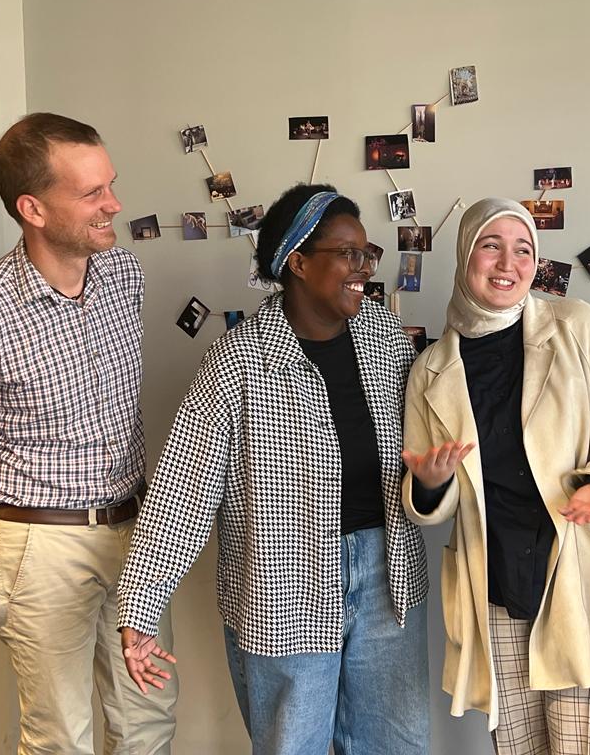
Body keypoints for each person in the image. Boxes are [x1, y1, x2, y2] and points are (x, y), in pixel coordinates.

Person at [116, 184, 430, 755]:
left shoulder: (384, 337)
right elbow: (180, 492)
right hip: (282, 591)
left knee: (396, 745)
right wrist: (140, 607)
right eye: (347, 254)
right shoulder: (238, 359)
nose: (363, 268)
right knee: (294, 746)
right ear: (298, 262)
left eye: (367, 253)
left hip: (388, 579)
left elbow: (427, 435)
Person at [401, 198, 590, 754]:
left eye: (523, 249)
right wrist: (429, 483)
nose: (508, 263)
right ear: (465, 254)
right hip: (496, 593)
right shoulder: (431, 368)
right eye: (490, 245)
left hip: (587, 580)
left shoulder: (575, 325)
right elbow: (431, 496)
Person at [0, 112, 176, 754]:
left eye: (111, 184)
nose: (115, 204)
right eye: (91, 193)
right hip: (40, 544)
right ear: (33, 208)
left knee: (148, 721)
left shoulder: (123, 277)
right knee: (62, 739)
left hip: (138, 537)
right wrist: (17, 524)